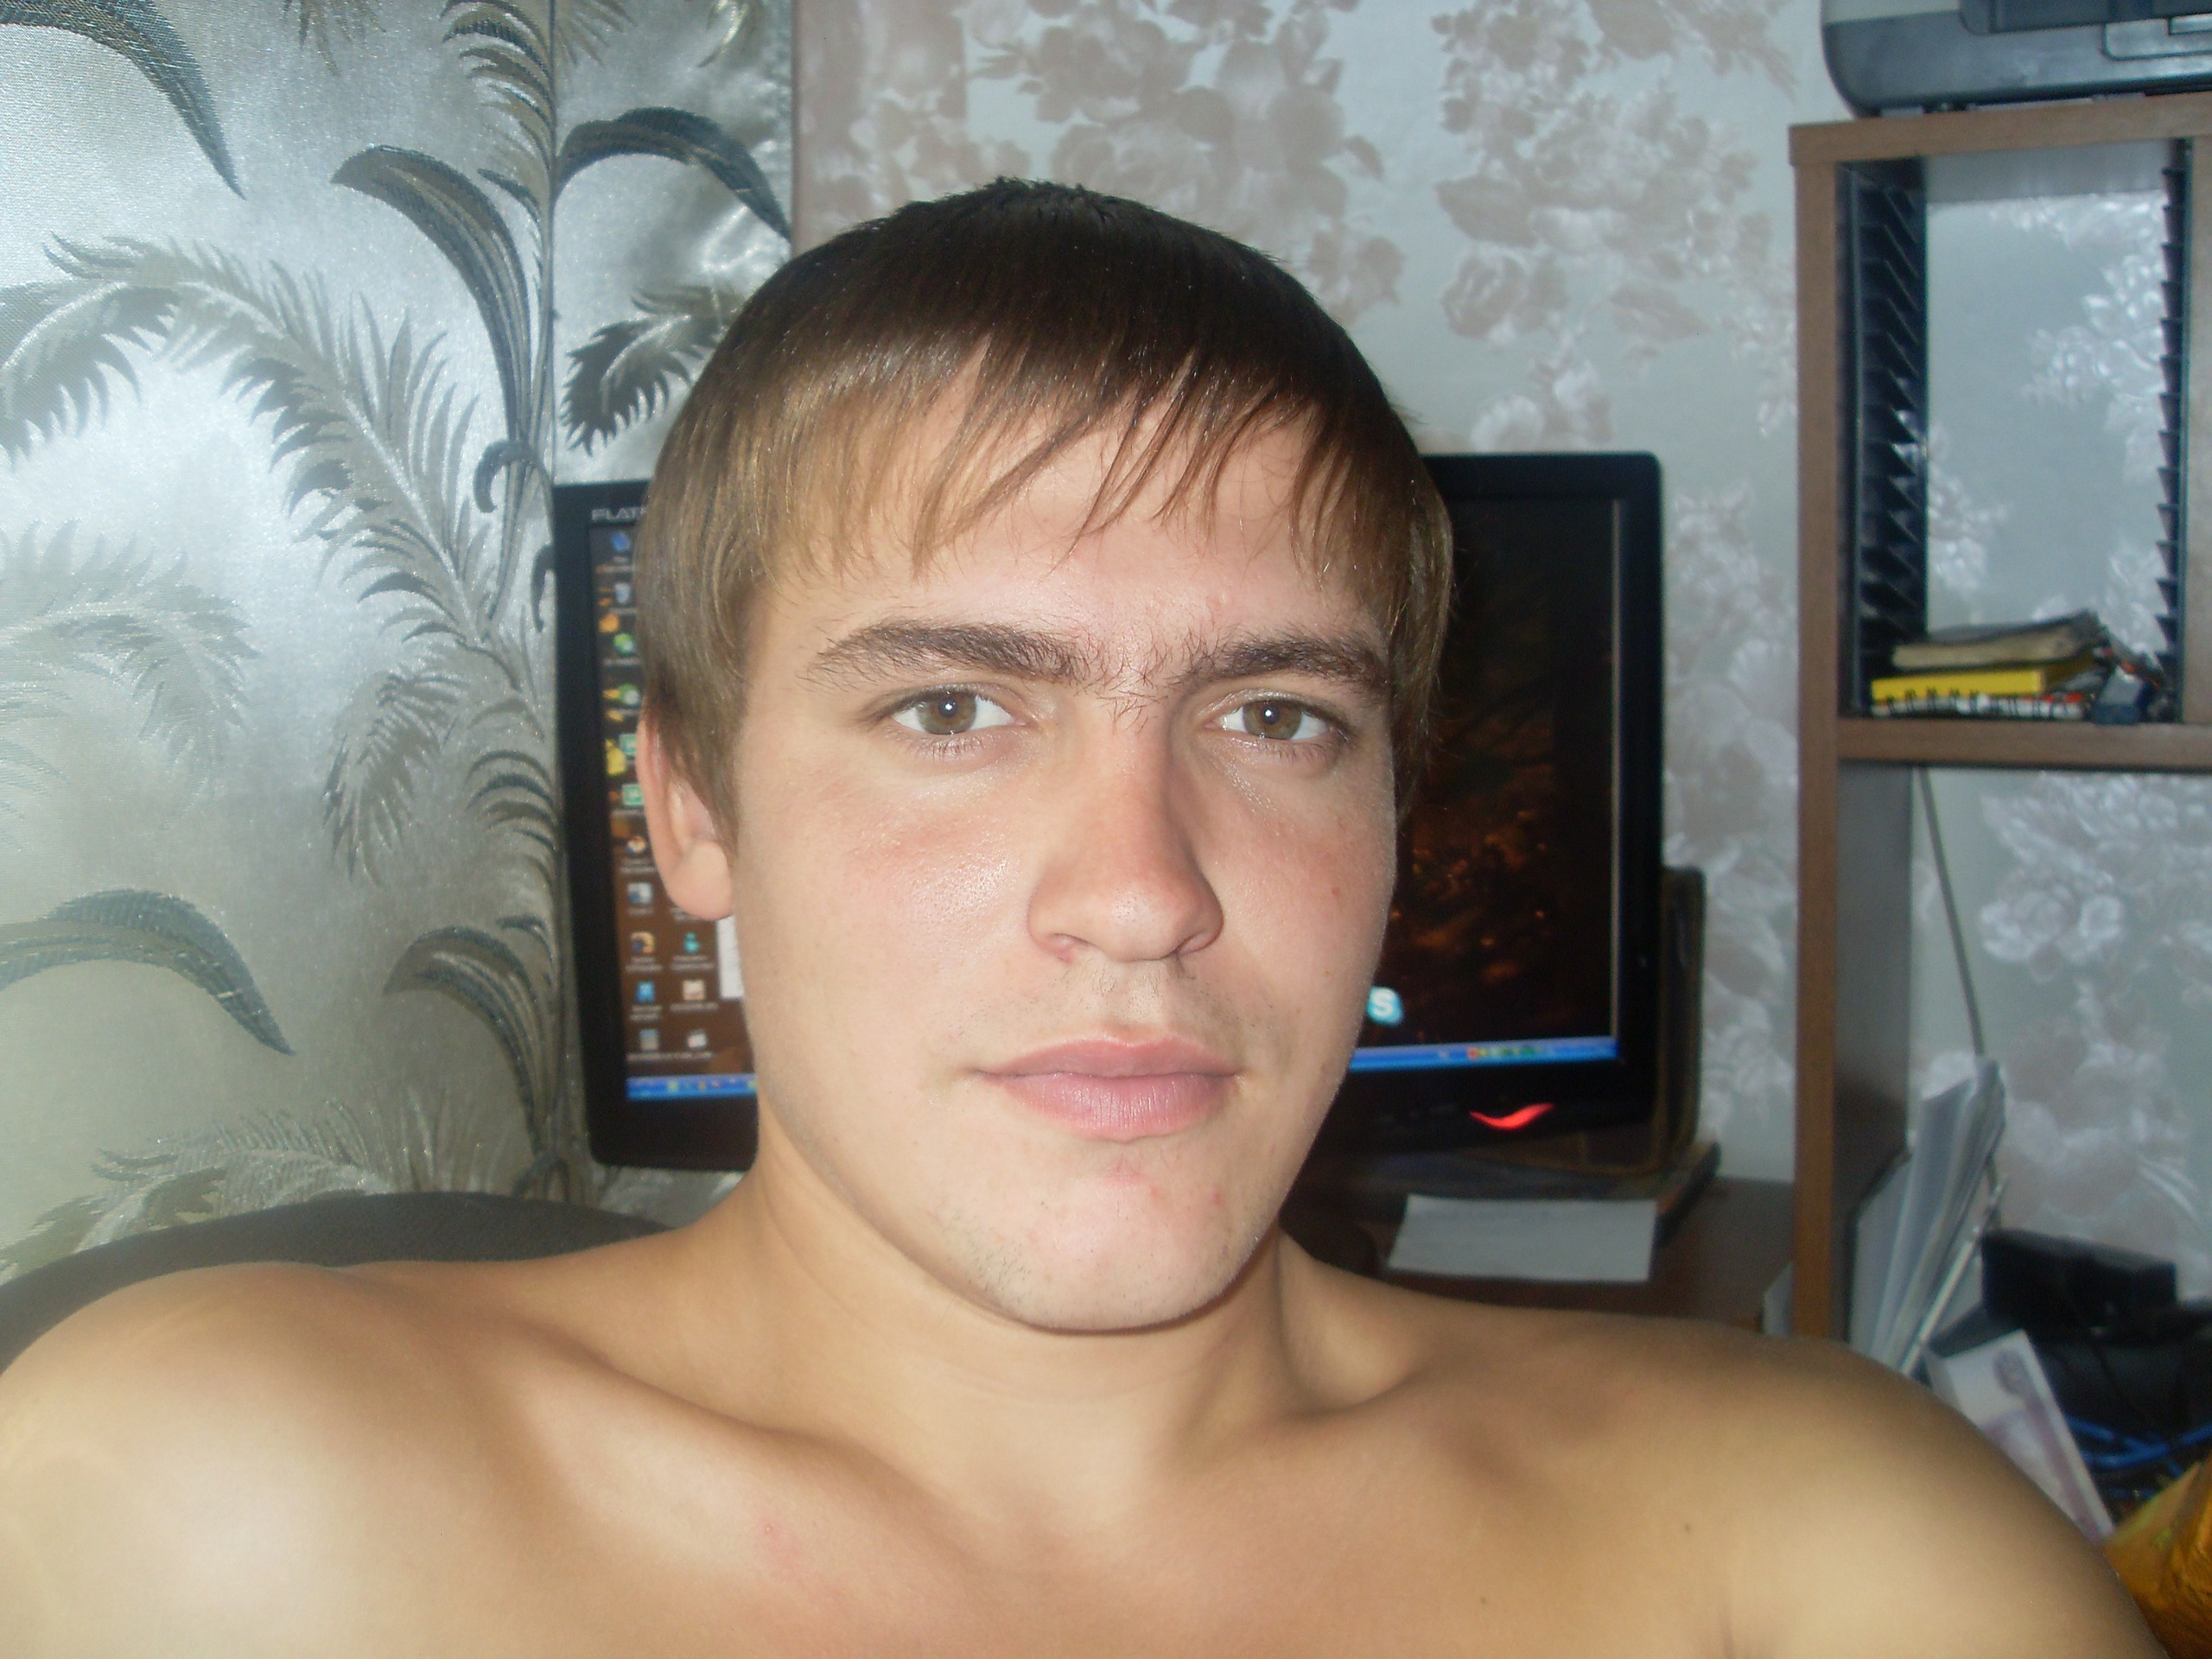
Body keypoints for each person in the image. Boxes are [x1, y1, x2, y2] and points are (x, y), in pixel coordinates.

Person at [0, 181, 2158, 1657]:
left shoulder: (1813, 1543)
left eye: (1275, 716)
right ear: (690, 809)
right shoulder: (205, 1502)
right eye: (950, 709)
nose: (1144, 891)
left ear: (1394, 813)